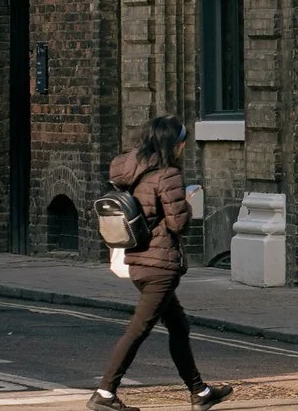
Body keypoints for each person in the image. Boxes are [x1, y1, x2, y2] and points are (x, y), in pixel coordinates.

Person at [89, 115, 232, 410]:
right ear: (174, 143)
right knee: (138, 329)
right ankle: (105, 393)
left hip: (138, 260)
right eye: (183, 142)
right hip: (159, 264)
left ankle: (200, 392)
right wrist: (187, 202)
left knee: (179, 326)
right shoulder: (167, 174)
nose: (184, 147)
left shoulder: (130, 170)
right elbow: (178, 224)